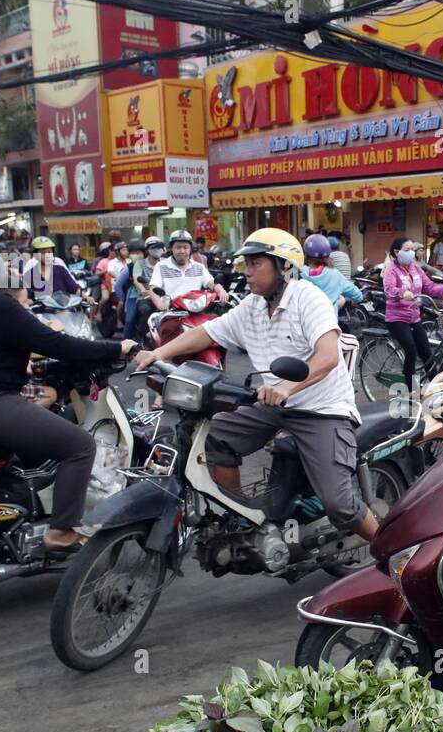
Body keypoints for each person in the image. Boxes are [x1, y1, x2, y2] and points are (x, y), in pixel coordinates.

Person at [133, 227, 378, 542]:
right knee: (216, 437)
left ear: (284, 267)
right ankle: (242, 521)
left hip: (322, 410)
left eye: (255, 264)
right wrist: (158, 353)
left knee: (340, 504)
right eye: (245, 265)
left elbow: (328, 356)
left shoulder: (308, 298)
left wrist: (287, 387)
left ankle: (391, 555)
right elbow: (208, 332)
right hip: (275, 406)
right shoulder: (253, 306)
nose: (246, 272)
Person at [0, 220, 134, 554]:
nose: (4, 258)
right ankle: (62, 531)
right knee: (79, 446)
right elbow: (56, 343)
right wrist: (116, 347)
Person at [383, 236, 443, 386]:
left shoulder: (415, 268)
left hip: (414, 317)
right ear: (397, 251)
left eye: (412, 250)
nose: (411, 253)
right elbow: (388, 289)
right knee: (411, 351)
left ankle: (436, 388)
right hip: (397, 319)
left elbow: (430, 286)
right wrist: (402, 292)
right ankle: (411, 392)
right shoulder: (391, 270)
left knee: (426, 352)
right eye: (407, 250)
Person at [149, 230, 226, 310]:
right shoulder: (161, 266)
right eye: (178, 247)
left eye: (185, 247)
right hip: (172, 312)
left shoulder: (199, 267)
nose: (182, 251)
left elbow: (211, 282)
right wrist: (160, 305)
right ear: (172, 248)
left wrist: (221, 291)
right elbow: (153, 289)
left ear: (190, 249)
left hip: (196, 310)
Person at [302, 233, 363, 312]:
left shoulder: (300, 273)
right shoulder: (335, 274)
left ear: (306, 255)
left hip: (304, 322)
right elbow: (358, 296)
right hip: (329, 322)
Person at [124, 237, 161, 341]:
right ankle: (134, 341)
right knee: (131, 318)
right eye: (134, 252)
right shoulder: (137, 264)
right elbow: (136, 280)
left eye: (158, 247)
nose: (156, 250)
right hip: (141, 296)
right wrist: (142, 290)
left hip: (162, 297)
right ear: (147, 250)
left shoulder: (164, 263)